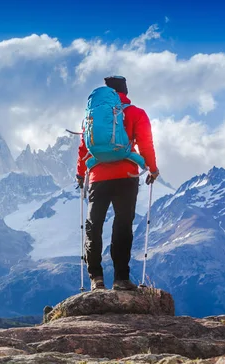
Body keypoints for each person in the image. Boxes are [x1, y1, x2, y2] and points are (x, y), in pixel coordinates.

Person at [76, 75, 159, 291]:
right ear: (125, 91)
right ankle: (121, 279)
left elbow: (84, 148)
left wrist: (80, 174)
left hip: (97, 178)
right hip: (126, 177)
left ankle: (96, 278)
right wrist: (152, 168)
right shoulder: (136, 113)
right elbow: (145, 144)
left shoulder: (92, 115)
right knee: (122, 226)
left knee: (94, 226)